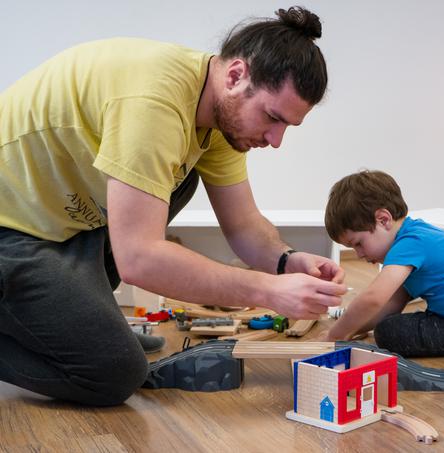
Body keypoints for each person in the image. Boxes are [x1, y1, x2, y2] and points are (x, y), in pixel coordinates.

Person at [0, 6, 346, 406]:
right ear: (236, 76)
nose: (275, 139)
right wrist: (270, 290)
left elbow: (245, 226)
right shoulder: (155, 102)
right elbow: (139, 260)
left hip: (55, 228)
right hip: (10, 232)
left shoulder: (216, 115)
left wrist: (288, 261)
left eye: (287, 125)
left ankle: (74, 324)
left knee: (181, 178)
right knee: (113, 373)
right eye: (272, 117)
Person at [323, 170, 444, 357]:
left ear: (383, 219)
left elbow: (373, 299)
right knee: (386, 326)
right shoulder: (413, 237)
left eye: (358, 244)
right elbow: (391, 304)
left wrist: (334, 335)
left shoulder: (410, 244)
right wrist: (350, 331)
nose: (359, 254)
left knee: (388, 332)